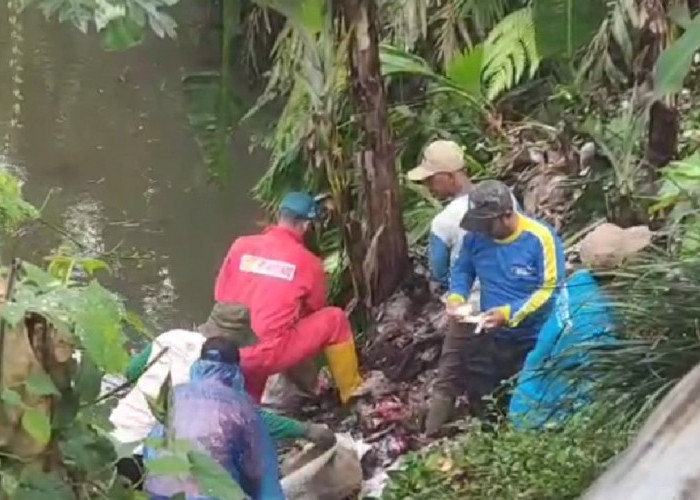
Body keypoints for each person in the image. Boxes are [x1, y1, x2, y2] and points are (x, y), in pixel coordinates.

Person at [110, 302, 335, 489]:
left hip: (113, 438)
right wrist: (307, 430)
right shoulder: (217, 368)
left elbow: (131, 372)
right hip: (148, 456)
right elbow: (249, 418)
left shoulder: (171, 338)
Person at [426, 180, 565, 434]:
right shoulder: (475, 237)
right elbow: (462, 269)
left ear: (507, 215)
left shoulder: (540, 238)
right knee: (485, 394)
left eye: (486, 222)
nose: (481, 229)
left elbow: (549, 289)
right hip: (491, 333)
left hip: (533, 336)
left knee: (527, 401)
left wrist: (509, 313)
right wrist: (457, 296)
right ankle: (490, 439)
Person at [214, 191, 362, 404]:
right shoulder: (308, 262)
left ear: (280, 216)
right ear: (306, 226)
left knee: (249, 406)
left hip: (227, 347)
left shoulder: (240, 245)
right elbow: (315, 307)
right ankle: (352, 392)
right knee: (335, 320)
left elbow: (220, 293)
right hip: (266, 353)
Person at [143, 336, 285, 500]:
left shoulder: (176, 394)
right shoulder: (242, 407)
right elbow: (262, 473)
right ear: (235, 370)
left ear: (198, 364)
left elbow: (152, 448)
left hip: (160, 493)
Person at [406, 140, 475, 289]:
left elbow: (439, 273)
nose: (427, 185)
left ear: (449, 176)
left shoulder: (443, 222)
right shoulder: (505, 196)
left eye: (431, 179)